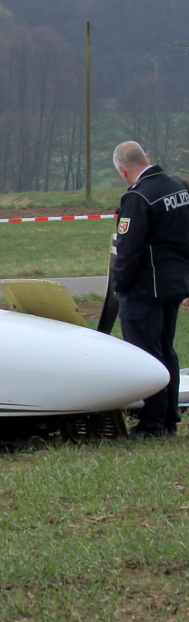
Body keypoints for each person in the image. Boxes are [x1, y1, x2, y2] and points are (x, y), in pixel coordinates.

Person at [109, 141, 189, 437]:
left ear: (122, 169)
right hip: (174, 284)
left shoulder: (139, 197)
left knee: (147, 356)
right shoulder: (177, 188)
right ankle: (169, 416)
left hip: (145, 289)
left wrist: (121, 286)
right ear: (147, 157)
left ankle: (153, 423)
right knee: (166, 351)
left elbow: (128, 250)